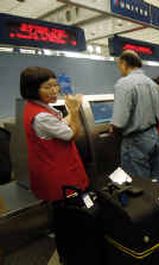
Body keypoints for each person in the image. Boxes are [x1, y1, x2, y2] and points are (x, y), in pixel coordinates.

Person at [20, 66, 89, 262]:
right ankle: (71, 255)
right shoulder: (40, 116)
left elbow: (58, 125)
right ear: (33, 89)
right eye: (47, 87)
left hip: (55, 172)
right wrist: (74, 111)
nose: (54, 90)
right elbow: (72, 134)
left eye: (55, 85)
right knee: (67, 219)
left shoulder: (36, 108)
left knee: (64, 217)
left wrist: (69, 113)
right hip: (60, 178)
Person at [110, 51, 159, 182]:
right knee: (156, 181)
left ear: (123, 64)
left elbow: (119, 122)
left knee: (139, 185)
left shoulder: (124, 84)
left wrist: (112, 128)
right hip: (154, 136)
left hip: (135, 141)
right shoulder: (153, 84)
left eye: (119, 66)